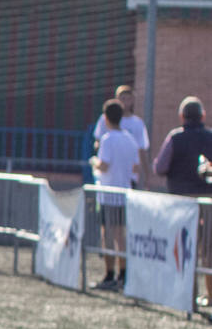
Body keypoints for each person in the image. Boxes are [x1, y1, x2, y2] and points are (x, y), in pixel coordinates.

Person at [154, 96, 212, 305]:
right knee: (208, 250)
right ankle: (210, 294)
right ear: (203, 116)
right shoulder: (210, 137)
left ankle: (188, 293)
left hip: (181, 202)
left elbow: (160, 168)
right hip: (207, 200)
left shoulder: (175, 138)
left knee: (184, 248)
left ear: (182, 116)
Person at [89, 99, 140, 292]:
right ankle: (123, 274)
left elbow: (104, 165)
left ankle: (110, 274)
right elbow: (136, 167)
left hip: (109, 194)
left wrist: (94, 161)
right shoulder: (130, 139)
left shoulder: (108, 139)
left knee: (108, 235)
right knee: (121, 235)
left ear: (106, 117)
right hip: (124, 193)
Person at [90, 84, 150, 188]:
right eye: (122, 98)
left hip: (126, 177)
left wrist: (146, 176)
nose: (125, 102)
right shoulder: (105, 121)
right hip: (109, 178)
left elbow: (141, 152)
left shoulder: (137, 124)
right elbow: (98, 142)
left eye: (128, 98)